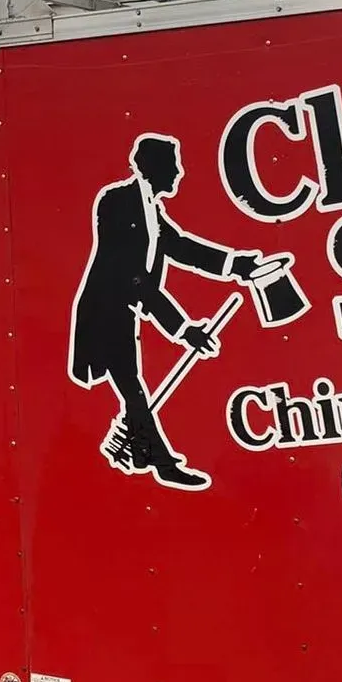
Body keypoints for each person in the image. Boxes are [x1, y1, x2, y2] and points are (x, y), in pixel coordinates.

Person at [68, 133, 282, 490]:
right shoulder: (116, 202)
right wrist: (184, 329)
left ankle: (139, 453)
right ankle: (163, 464)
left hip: (124, 312)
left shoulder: (153, 209)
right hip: (105, 312)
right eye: (174, 165)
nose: (180, 173)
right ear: (154, 167)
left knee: (132, 392)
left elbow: (182, 248)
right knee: (133, 390)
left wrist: (238, 266)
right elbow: (132, 279)